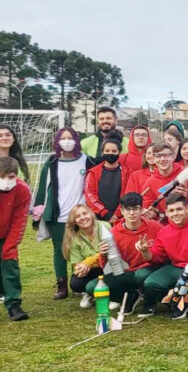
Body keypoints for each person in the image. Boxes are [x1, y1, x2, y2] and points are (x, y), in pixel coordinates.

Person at [33, 127, 93, 301]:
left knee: (82, 248)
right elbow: (43, 187)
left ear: (76, 140)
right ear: (57, 141)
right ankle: (61, 284)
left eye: (70, 138)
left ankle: (79, 282)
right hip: (58, 214)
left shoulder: (86, 160)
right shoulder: (52, 162)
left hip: (81, 215)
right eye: (63, 138)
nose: (67, 141)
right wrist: (38, 210)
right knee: (60, 250)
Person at [98, 192, 162, 316]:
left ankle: (150, 302)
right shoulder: (113, 233)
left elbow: (163, 253)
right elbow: (107, 267)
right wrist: (103, 254)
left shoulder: (155, 227)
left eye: (135, 209)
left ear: (142, 210)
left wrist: (147, 252)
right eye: (128, 209)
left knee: (141, 275)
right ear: (121, 211)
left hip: (148, 269)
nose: (131, 213)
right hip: (127, 272)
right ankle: (130, 296)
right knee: (94, 287)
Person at [0, 157, 31, 321]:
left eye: (11, 177)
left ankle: (13, 304)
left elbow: (20, 220)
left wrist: (10, 245)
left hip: (7, 233)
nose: (6, 181)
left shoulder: (22, 190)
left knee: (10, 262)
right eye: (2, 176)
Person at [63, 204, 110, 307]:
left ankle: (111, 294)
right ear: (74, 221)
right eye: (78, 216)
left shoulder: (104, 226)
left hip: (108, 265)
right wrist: (80, 268)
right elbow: (76, 264)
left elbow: (107, 252)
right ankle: (89, 293)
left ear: (91, 214)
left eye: (85, 213)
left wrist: (87, 262)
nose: (83, 218)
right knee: (75, 283)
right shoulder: (73, 237)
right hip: (92, 270)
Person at [124, 143, 181, 221]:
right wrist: (153, 213)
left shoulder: (185, 174)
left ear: (173, 156)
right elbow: (149, 205)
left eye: (166, 155)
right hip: (163, 224)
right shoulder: (150, 182)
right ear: (153, 159)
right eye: (158, 156)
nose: (162, 159)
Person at [84, 138, 129, 222]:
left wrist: (117, 214)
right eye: (107, 151)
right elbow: (90, 195)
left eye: (114, 151)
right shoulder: (93, 173)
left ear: (119, 152)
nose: (110, 153)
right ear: (102, 152)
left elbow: (129, 194)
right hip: (99, 218)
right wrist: (105, 213)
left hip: (123, 218)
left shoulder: (128, 173)